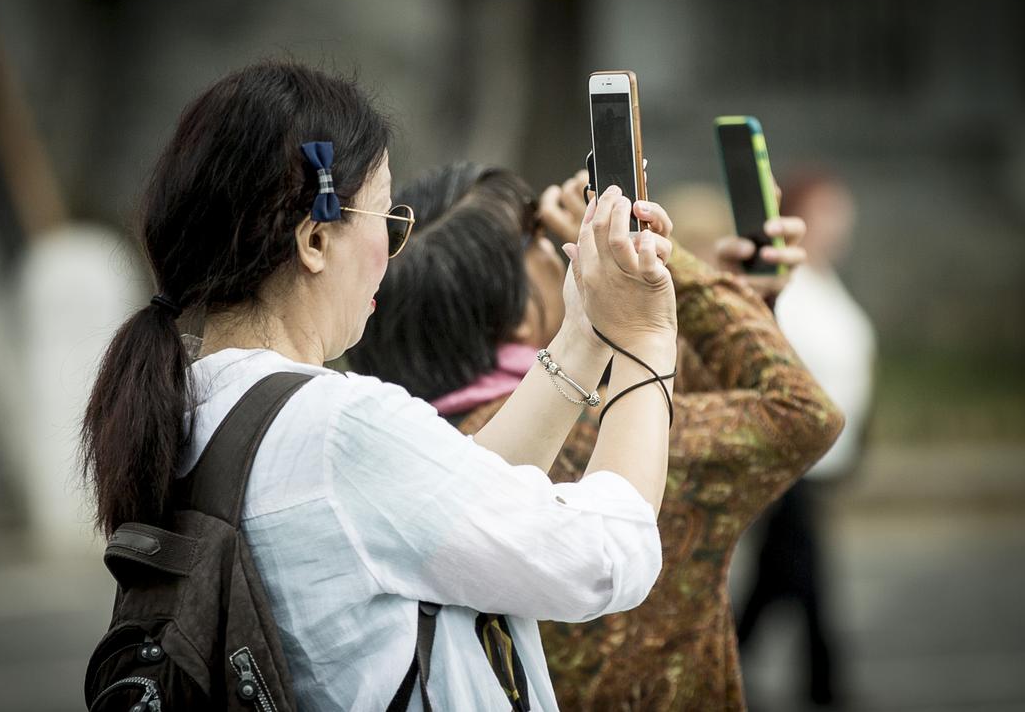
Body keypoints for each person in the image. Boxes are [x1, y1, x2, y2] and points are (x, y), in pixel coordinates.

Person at [80, 62, 681, 711]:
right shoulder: (338, 429)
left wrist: (587, 331)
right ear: (314, 238)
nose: (392, 248)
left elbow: (448, 500)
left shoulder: (197, 405)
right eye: (388, 218)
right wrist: (647, 336)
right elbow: (606, 557)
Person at [351, 163, 844, 711]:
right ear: (516, 318)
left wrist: (736, 298)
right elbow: (800, 412)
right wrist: (653, 256)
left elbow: (687, 408)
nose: (570, 242)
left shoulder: (412, 447)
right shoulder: (592, 435)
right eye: (543, 238)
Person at [735, 170, 877, 708]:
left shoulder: (828, 281)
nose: (839, 226)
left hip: (827, 463)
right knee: (808, 575)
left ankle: (725, 658)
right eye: (827, 214)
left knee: (779, 576)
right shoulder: (787, 285)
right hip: (793, 463)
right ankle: (825, 685)